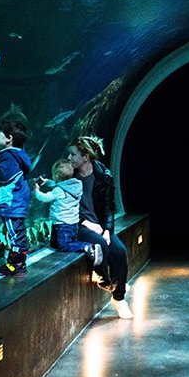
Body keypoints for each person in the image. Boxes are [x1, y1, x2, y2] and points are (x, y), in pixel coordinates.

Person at [68, 133, 131, 319]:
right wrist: (84, 222)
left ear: (85, 156)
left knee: (119, 251)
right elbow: (61, 207)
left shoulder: (104, 176)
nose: (69, 158)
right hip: (78, 226)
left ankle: (119, 299)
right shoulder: (67, 175)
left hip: (99, 226)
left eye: (73, 154)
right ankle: (106, 282)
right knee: (100, 246)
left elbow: (108, 209)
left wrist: (107, 230)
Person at [0, 118, 33, 276]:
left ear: (9, 138)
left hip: (11, 202)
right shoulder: (18, 153)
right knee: (16, 231)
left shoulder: (8, 156)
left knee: (15, 233)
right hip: (14, 202)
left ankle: (17, 265)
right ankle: (17, 261)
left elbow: (3, 175)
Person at [33, 158, 103, 264]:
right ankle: (78, 245)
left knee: (64, 245)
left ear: (56, 176)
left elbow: (45, 198)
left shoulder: (58, 191)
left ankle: (87, 246)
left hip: (62, 224)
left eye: (53, 174)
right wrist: (47, 182)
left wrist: (36, 191)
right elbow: (60, 185)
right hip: (73, 223)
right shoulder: (76, 185)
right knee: (57, 244)